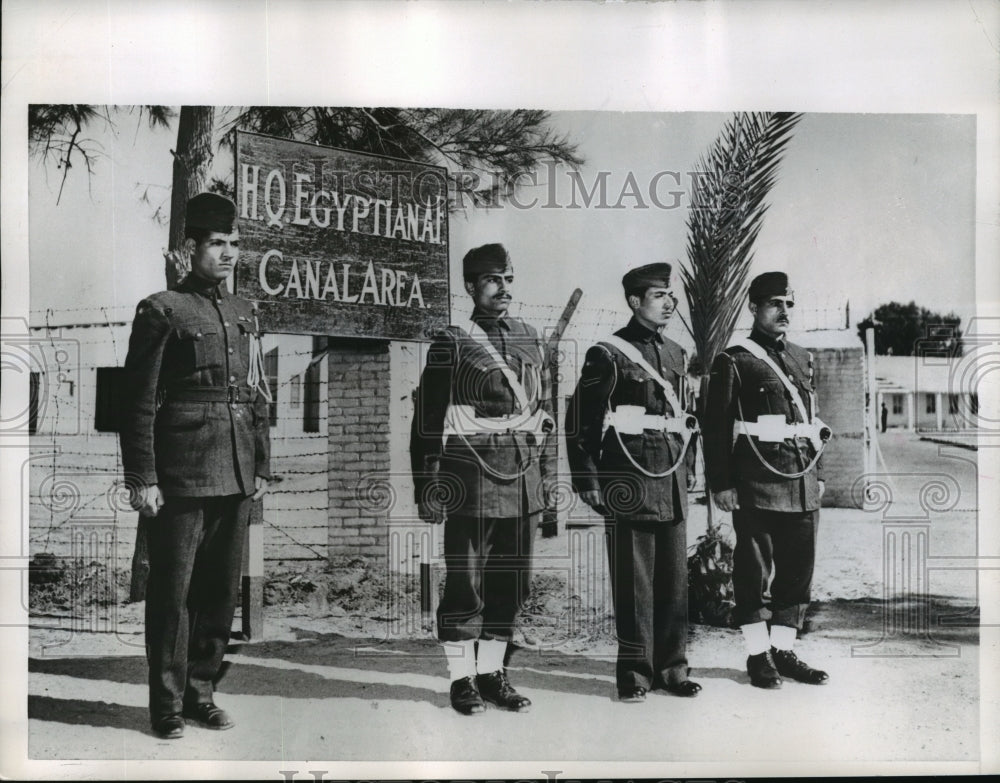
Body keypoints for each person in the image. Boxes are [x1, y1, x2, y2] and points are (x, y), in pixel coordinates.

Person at [120, 192, 271, 738]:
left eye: (235, 244)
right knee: (172, 593)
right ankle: (166, 704)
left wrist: (261, 466)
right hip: (181, 472)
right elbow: (137, 400)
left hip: (236, 470)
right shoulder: (162, 310)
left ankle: (201, 692)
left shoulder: (245, 311)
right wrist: (144, 477)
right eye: (216, 243)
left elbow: (256, 393)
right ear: (191, 248)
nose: (228, 253)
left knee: (220, 593)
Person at [410, 243, 556, 715]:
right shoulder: (452, 342)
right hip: (471, 480)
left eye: (508, 279)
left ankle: (492, 674)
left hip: (523, 479)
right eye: (493, 280)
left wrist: (548, 482)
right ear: (471, 287)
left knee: (512, 585)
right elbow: (427, 421)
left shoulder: (531, 339)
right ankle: (461, 679)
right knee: (465, 584)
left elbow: (545, 418)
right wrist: (427, 485)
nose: (503, 288)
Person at [565, 262, 701, 703]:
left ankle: (673, 669)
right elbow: (580, 420)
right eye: (659, 296)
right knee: (634, 582)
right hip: (629, 478)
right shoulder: (608, 353)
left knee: (674, 581)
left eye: (670, 296)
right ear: (634, 301)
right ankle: (635, 674)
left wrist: (689, 467)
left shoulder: (677, 354)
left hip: (671, 478)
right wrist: (587, 479)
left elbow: (685, 419)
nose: (669, 303)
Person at [703, 271, 831, 689]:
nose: (784, 311)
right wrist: (721, 483)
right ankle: (758, 654)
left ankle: (784, 651)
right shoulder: (735, 360)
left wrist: (818, 474)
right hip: (756, 482)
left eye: (788, 304)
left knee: (798, 573)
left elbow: (812, 423)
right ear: (754, 308)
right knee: (754, 572)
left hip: (801, 480)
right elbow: (716, 427)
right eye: (775, 303)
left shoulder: (801, 357)